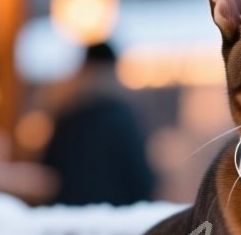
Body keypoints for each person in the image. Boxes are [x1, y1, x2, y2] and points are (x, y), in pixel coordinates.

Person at [41, 42, 157, 206]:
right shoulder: (122, 117)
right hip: (113, 217)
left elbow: (49, 170)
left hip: (71, 216)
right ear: (113, 70)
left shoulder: (67, 115)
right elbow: (141, 177)